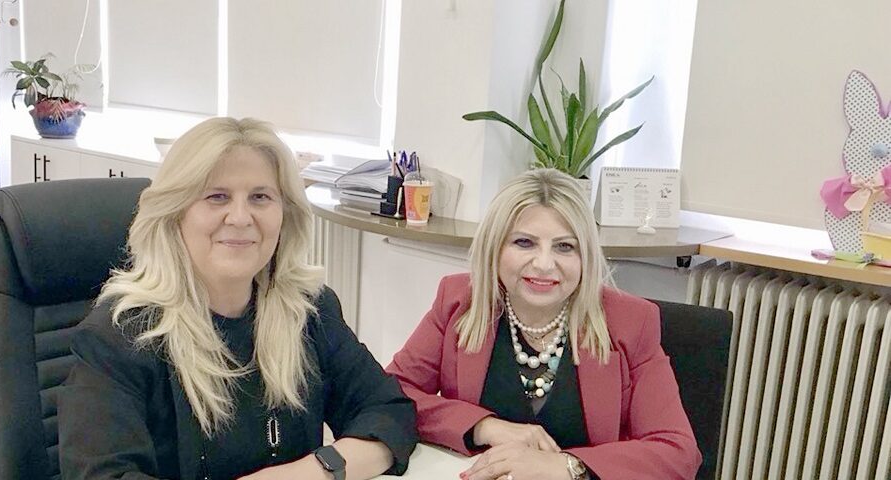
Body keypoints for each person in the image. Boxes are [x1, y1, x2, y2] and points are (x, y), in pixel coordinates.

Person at [58, 117, 417, 480]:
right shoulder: (118, 337)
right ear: (174, 213)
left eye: (260, 197)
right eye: (217, 197)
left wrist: (309, 473)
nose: (241, 217)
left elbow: (389, 412)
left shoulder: (308, 310)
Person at [386, 169, 700, 480]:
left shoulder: (630, 321)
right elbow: (393, 393)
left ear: (585, 257)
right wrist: (483, 427)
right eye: (524, 242)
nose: (544, 264)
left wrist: (567, 465)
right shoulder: (458, 302)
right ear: (494, 247)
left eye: (565, 246)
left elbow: (677, 451)